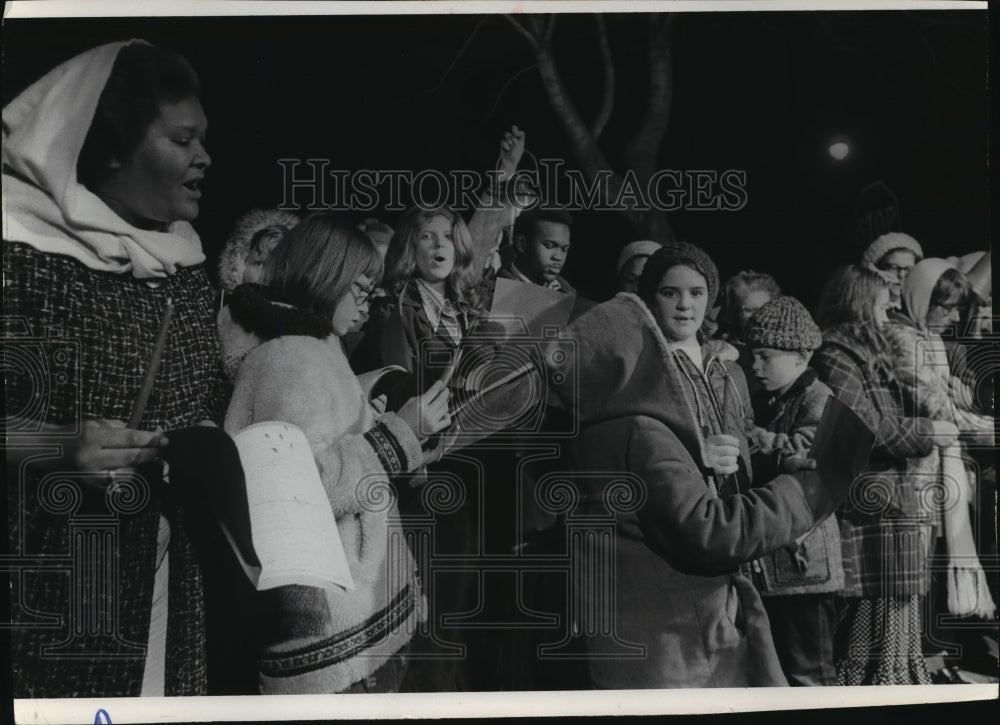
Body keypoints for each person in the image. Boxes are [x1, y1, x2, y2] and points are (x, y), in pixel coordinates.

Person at [4, 41, 225, 696]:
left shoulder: (185, 266)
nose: (204, 159)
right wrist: (58, 446)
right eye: (183, 140)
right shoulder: (29, 257)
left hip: (168, 575)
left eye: (203, 138)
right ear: (109, 150)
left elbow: (195, 390)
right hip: (56, 581)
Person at [543, 244, 854, 688]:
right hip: (685, 591)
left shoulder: (726, 368)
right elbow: (690, 508)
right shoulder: (641, 406)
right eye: (669, 293)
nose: (685, 304)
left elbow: (742, 436)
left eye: (697, 292)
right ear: (648, 303)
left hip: (719, 571)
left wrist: (771, 456)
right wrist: (703, 458)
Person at [221, 213, 450, 693]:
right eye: (362, 288)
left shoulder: (309, 346)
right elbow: (301, 491)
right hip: (341, 647)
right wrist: (397, 435)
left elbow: (320, 443)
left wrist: (382, 428)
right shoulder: (288, 357)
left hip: (355, 629)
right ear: (326, 277)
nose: (368, 304)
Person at [811, 265, 952, 685]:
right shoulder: (835, 356)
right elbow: (866, 428)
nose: (890, 306)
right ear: (858, 302)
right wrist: (928, 431)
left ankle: (891, 686)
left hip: (889, 500)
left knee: (894, 618)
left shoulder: (869, 354)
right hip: (868, 503)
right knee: (867, 625)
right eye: (880, 299)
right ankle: (867, 694)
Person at [883, 259, 996, 670]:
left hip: (935, 473)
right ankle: (919, 664)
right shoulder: (901, 339)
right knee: (918, 578)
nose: (951, 318)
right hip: (913, 479)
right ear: (921, 299)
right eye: (944, 307)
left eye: (954, 309)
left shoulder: (924, 337)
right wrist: (988, 429)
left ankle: (928, 659)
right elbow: (939, 406)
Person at [742, 296, 843, 686]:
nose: (755, 365)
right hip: (779, 565)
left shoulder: (819, 399)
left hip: (807, 571)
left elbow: (805, 454)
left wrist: (745, 436)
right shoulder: (769, 399)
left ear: (801, 356)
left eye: (766, 356)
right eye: (753, 354)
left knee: (810, 673)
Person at [715, 271, 781, 397]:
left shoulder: (781, 350)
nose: (759, 316)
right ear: (732, 312)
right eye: (749, 310)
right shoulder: (725, 353)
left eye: (765, 308)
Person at [217, 208, 300, 291]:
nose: (266, 277)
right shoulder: (221, 303)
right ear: (240, 265)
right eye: (259, 263)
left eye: (279, 268)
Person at [496, 207, 575, 294]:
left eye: (564, 249)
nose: (558, 257)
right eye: (549, 246)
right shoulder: (488, 293)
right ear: (521, 244)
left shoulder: (568, 292)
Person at [860, 231, 924, 311]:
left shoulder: (921, 308)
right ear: (876, 268)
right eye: (893, 268)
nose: (901, 275)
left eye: (908, 269)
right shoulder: (866, 307)